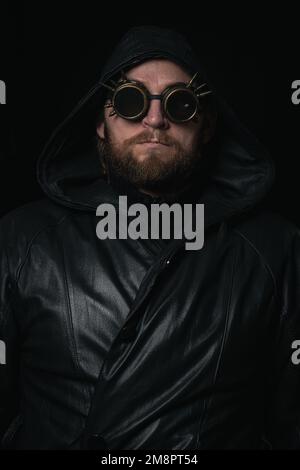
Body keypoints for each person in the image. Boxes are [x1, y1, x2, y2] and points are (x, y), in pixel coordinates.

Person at [0, 25, 299, 450]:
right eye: (130, 100)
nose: (155, 119)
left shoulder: (274, 248)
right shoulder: (22, 240)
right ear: (102, 122)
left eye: (180, 103)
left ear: (208, 125)